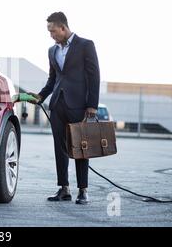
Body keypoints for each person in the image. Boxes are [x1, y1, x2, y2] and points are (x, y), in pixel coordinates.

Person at [28, 12, 100, 205]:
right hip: (57, 106)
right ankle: (64, 189)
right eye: (49, 31)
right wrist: (41, 96)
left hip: (78, 106)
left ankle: (83, 191)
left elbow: (94, 76)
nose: (50, 35)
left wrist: (92, 105)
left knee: (80, 148)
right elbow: (53, 79)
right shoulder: (52, 51)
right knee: (59, 148)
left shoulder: (86, 45)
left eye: (52, 31)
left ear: (63, 27)